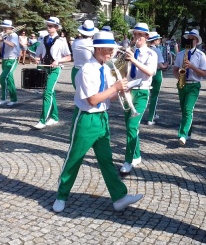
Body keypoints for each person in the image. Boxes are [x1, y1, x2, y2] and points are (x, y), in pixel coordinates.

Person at [52, 31, 143, 213]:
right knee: (74, 159)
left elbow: (108, 97)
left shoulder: (105, 68)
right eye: (109, 49)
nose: (112, 53)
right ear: (99, 48)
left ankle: (119, 197)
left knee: (106, 160)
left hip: (102, 118)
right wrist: (115, 88)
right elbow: (92, 100)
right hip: (86, 118)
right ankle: (61, 195)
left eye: (113, 49)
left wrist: (122, 90)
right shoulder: (87, 69)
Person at [119, 23, 158, 174]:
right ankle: (136, 155)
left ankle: (128, 161)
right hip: (128, 91)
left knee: (132, 126)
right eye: (135, 35)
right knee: (130, 128)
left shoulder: (151, 54)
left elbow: (150, 72)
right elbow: (123, 72)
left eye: (140, 35)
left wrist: (133, 60)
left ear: (146, 37)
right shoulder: (129, 52)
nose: (137, 38)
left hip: (142, 92)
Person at [33, 17, 71, 130]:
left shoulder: (61, 41)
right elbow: (38, 54)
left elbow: (69, 57)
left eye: (51, 26)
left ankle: (42, 120)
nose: (49, 28)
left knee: (47, 93)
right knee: (51, 92)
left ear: (56, 27)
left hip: (55, 69)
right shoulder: (43, 39)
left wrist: (58, 61)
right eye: (48, 26)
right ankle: (54, 117)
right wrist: (36, 58)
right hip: (45, 68)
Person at [173, 29, 206, 145]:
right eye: (188, 38)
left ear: (197, 41)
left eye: (192, 38)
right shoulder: (181, 54)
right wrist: (179, 77)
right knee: (185, 111)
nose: (189, 40)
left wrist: (192, 66)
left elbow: (203, 73)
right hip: (182, 84)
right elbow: (174, 70)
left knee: (188, 109)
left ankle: (182, 135)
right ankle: (188, 132)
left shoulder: (200, 55)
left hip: (194, 85)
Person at [0, 20, 20, 106]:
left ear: (10, 28)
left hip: (12, 59)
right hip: (5, 59)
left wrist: (2, 39)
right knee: (8, 79)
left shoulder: (14, 35)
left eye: (6, 28)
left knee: (4, 77)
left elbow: (12, 45)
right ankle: (10, 98)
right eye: (3, 28)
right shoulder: (4, 36)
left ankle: (7, 98)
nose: (4, 29)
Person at [146, 31, 167, 125]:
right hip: (157, 73)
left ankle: (153, 113)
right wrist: (166, 65)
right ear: (155, 41)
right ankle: (151, 118)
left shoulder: (145, 49)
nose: (159, 40)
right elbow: (161, 65)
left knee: (148, 95)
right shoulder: (157, 50)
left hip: (146, 74)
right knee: (155, 96)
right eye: (158, 39)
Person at [71, 20, 98, 89]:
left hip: (75, 71)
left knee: (78, 97)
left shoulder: (75, 42)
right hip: (88, 72)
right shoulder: (92, 44)